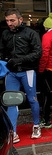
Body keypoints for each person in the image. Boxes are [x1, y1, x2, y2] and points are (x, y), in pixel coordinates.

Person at [0, 8, 42, 142]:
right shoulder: (5, 34)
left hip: (27, 71)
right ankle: (13, 131)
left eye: (12, 20)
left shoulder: (31, 33)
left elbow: (38, 52)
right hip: (11, 72)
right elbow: (1, 51)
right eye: (7, 21)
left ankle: (36, 125)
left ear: (20, 19)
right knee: (11, 101)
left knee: (32, 99)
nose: (9, 23)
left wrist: (19, 60)